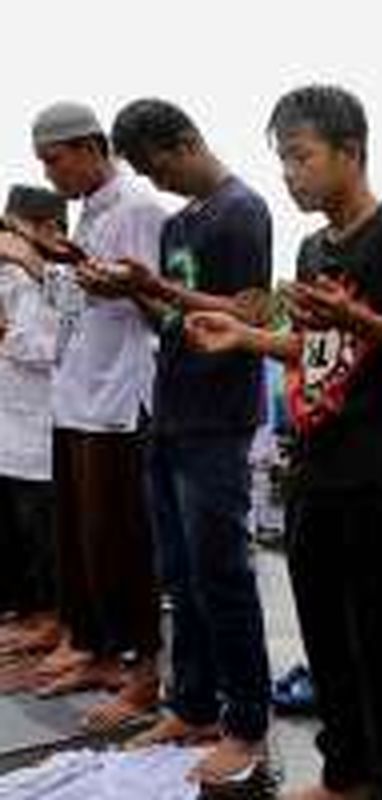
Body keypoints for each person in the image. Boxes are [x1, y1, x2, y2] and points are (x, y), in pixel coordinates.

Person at [185, 84, 382, 800]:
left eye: (301, 157)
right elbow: (314, 346)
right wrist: (245, 335)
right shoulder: (310, 248)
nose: (290, 175)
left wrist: (358, 318)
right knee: (327, 639)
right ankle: (346, 775)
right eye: (283, 162)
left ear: (350, 152)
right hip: (318, 471)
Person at [96, 98, 274, 783]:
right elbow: (170, 319)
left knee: (222, 572)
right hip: (169, 411)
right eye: (144, 170)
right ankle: (193, 702)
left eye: (157, 163)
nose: (156, 179)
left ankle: (245, 721)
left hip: (217, 416)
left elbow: (251, 312)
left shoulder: (242, 209)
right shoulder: (177, 223)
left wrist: (157, 284)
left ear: (188, 140)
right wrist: (130, 291)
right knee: (178, 572)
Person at [0, 102, 166, 730]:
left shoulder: (138, 208)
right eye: (43, 162)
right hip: (75, 393)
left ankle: (136, 662)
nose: (52, 173)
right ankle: (96, 648)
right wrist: (57, 264)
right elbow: (73, 301)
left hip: (116, 399)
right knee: (82, 542)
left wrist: (44, 266)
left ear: (93, 146)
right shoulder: (95, 213)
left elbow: (156, 303)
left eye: (56, 159)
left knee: (121, 540)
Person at [0, 187, 64, 661]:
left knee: (42, 529)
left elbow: (57, 348)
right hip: (9, 426)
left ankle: (50, 618)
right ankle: (24, 613)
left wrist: (8, 338)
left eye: (14, 230)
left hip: (45, 427)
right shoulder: (11, 278)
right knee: (15, 530)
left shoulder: (58, 280)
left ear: (46, 230)